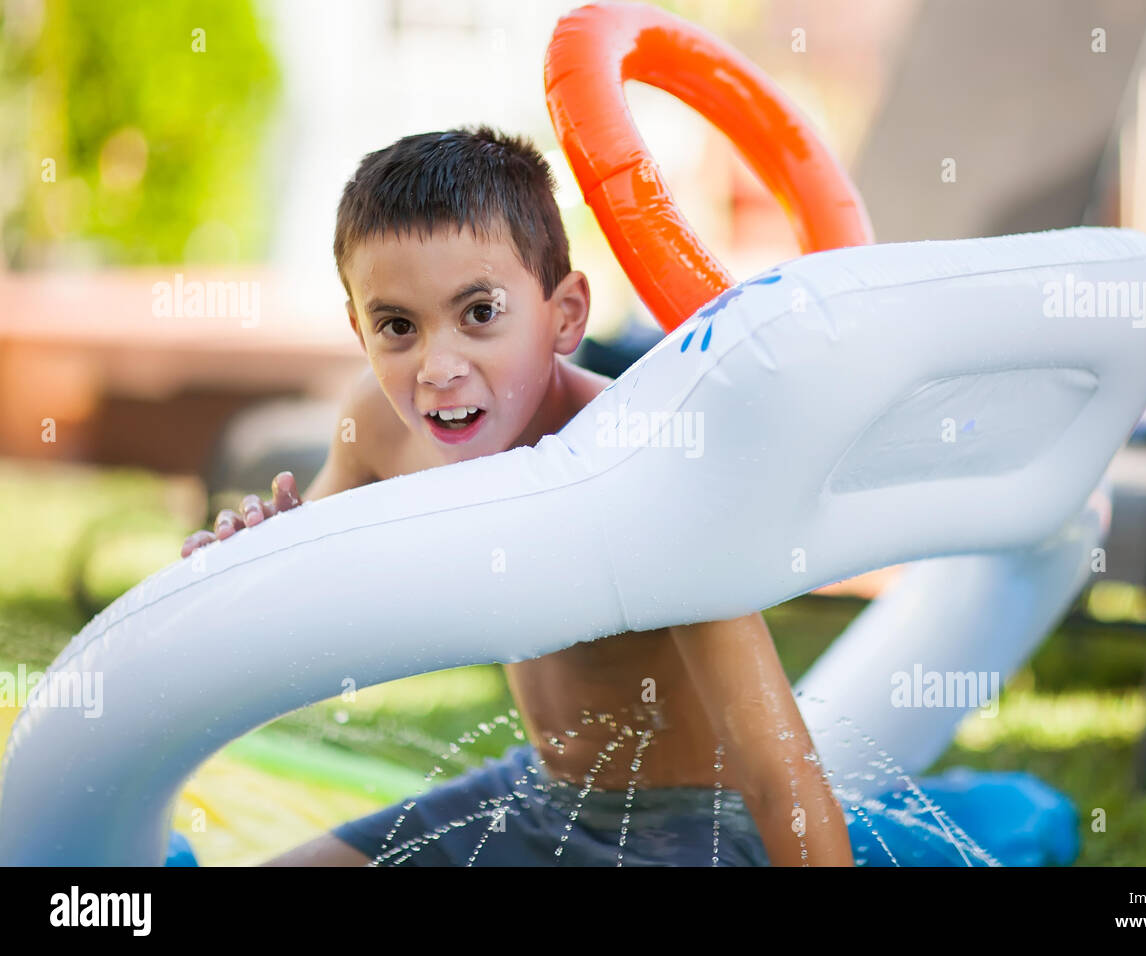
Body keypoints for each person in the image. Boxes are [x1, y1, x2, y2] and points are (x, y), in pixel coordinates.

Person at [181, 126, 853, 867]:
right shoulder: (375, 426)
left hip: (694, 831)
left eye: (479, 313)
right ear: (359, 330)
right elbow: (309, 594)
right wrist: (255, 558)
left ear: (565, 315)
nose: (439, 367)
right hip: (542, 796)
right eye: (398, 326)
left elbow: (778, 772)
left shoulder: (641, 461)